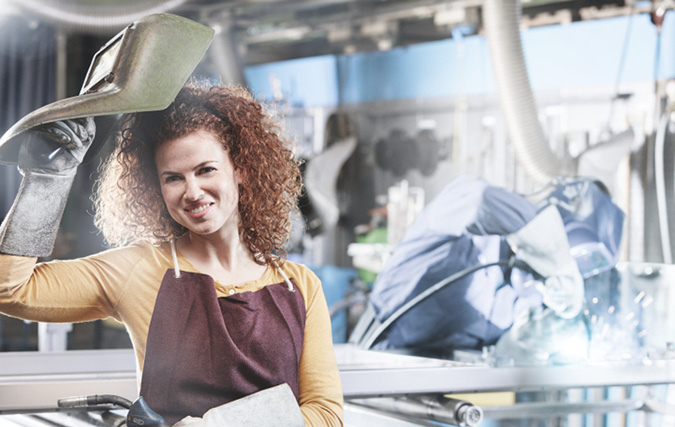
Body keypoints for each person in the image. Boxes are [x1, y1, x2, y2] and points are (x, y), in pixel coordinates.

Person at [0, 81, 344, 426]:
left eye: (206, 169)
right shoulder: (138, 268)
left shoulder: (298, 285)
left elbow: (326, 415)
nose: (193, 192)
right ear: (157, 188)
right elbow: (10, 289)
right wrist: (46, 180)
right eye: (173, 178)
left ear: (240, 170)